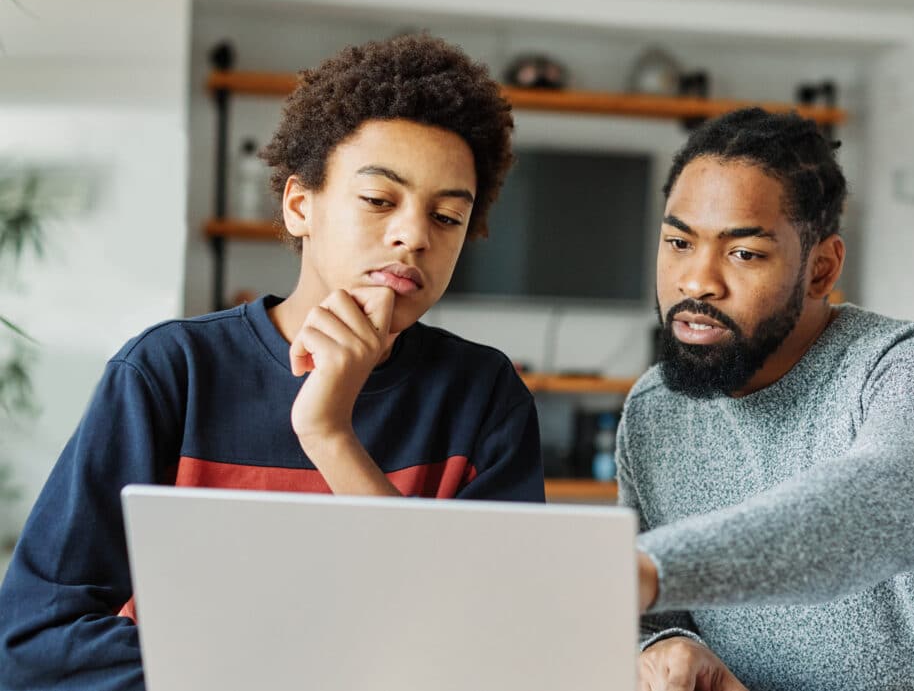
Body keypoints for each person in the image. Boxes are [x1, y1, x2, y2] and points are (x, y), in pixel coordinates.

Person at [0, 34, 545, 691]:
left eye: (448, 215)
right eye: (379, 200)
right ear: (298, 204)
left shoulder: (484, 397)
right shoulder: (170, 373)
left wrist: (331, 435)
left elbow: (496, 648)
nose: (414, 235)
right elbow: (36, 638)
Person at [620, 108, 914, 690]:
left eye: (744, 253)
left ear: (822, 268)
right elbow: (657, 617)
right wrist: (668, 642)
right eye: (679, 241)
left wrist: (655, 569)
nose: (696, 281)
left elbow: (880, 507)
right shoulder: (654, 408)